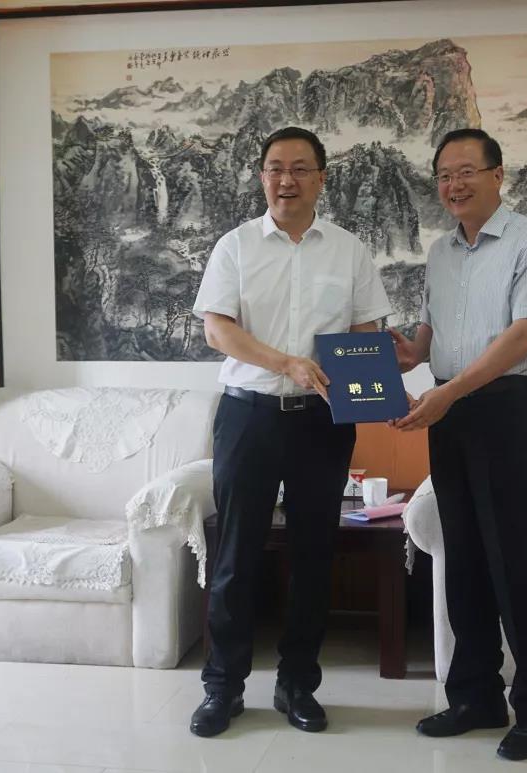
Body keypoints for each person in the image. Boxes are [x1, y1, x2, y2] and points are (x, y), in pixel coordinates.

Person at [190, 126, 392, 737]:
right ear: (262, 176)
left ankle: (297, 684)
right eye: (276, 167)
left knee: (313, 555)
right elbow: (218, 330)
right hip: (247, 416)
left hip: (320, 424)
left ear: (321, 178)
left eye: (301, 168)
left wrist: (382, 382)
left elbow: (364, 332)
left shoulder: (349, 251)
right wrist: (286, 363)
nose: (287, 179)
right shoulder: (235, 246)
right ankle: (222, 687)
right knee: (235, 555)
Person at [390, 128, 527, 761]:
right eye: (444, 175)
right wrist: (406, 354)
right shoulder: (441, 252)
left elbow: (523, 336)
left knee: (514, 561)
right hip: (452, 412)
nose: (454, 185)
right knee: (461, 556)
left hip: (507, 412)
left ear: (498, 175)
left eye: (466, 171)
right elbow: (431, 337)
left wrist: (449, 391)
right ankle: (475, 696)